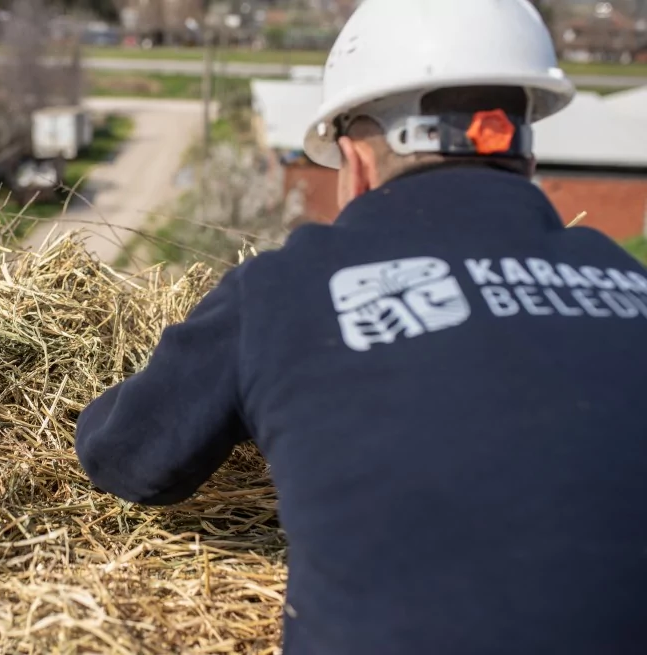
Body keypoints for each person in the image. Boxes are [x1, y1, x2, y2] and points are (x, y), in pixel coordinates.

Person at [74, 1, 647, 653]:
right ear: (524, 152)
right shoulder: (629, 280)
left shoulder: (284, 289)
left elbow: (130, 459)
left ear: (358, 161)